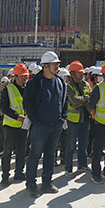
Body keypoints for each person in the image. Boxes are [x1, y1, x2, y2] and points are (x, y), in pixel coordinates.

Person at [23, 51, 67, 198]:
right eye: (55, 64)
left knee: (51, 154)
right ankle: (30, 184)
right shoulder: (35, 83)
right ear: (45, 66)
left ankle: (47, 182)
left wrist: (63, 117)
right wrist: (35, 121)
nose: (57, 67)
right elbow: (28, 103)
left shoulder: (60, 82)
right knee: (35, 154)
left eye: (58, 64)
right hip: (40, 126)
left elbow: (64, 100)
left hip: (56, 124)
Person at [0, 63, 30, 187]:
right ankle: (5, 176)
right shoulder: (7, 89)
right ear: (15, 76)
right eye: (22, 76)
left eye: (26, 76)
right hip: (10, 125)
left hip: (24, 125)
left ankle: (19, 173)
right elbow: (4, 107)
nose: (24, 78)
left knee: (21, 150)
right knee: (7, 151)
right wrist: (16, 116)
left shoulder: (28, 89)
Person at [65, 60, 92, 178]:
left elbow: (92, 97)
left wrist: (83, 100)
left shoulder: (85, 84)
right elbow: (74, 100)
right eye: (79, 73)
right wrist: (86, 99)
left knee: (83, 144)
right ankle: (68, 168)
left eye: (82, 73)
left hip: (85, 119)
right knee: (71, 146)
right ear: (72, 74)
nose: (82, 75)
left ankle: (82, 165)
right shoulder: (68, 86)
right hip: (73, 120)